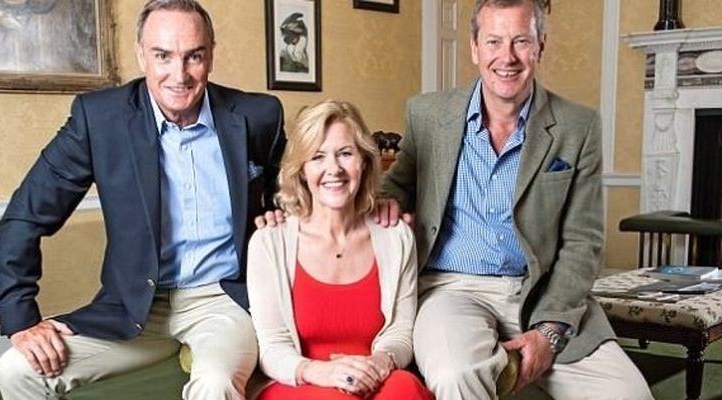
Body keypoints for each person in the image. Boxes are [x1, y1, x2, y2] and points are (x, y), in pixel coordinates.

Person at [0, 0, 286, 399]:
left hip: (223, 298)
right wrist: (20, 318)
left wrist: (280, 215)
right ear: (141, 55)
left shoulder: (258, 115)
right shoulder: (99, 118)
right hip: (135, 304)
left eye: (194, 56)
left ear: (211, 55)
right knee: (17, 370)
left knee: (215, 384)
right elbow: (25, 215)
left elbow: (296, 193)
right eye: (163, 56)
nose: (179, 75)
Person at [375, 0, 654, 398]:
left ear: (540, 46)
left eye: (521, 41)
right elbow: (398, 185)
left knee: (629, 393)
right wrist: (388, 200)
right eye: (493, 41)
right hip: (451, 288)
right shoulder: (428, 115)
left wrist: (549, 332)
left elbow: (583, 242)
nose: (506, 57)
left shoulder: (578, 126)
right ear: (475, 48)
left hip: (540, 291)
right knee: (456, 374)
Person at [247, 100, 433, 400]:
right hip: (299, 382)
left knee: (405, 389)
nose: (333, 169)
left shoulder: (396, 237)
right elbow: (272, 346)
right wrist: (320, 372)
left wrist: (380, 362)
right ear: (302, 170)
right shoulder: (269, 242)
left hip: (373, 377)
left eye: (346, 153)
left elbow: (400, 331)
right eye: (317, 157)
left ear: (364, 162)